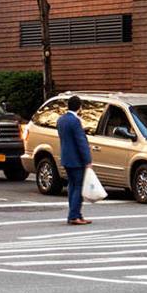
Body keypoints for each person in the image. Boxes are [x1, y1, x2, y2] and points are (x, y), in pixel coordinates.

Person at [57, 96, 94, 225]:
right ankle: (74, 215)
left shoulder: (61, 120)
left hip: (66, 157)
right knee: (78, 187)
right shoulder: (75, 121)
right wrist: (88, 160)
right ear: (79, 107)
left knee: (72, 186)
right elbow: (81, 142)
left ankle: (76, 214)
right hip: (76, 160)